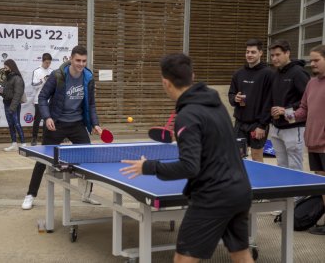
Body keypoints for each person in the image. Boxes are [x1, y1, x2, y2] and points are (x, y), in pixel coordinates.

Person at [120, 53, 254, 263]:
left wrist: (149, 167)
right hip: (240, 190)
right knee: (240, 253)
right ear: (193, 76)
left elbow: (189, 167)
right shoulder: (216, 104)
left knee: (183, 259)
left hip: (213, 196)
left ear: (165, 83)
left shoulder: (187, 115)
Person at [22, 45, 103, 210]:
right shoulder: (58, 75)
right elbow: (43, 97)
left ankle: (86, 194)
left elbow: (91, 104)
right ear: (71, 59)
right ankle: (30, 195)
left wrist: (95, 123)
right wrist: (47, 117)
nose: (81, 64)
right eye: (78, 60)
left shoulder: (88, 77)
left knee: (89, 158)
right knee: (42, 160)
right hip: (56, 124)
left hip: (77, 123)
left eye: (84, 61)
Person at [287, 44, 325, 235]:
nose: (312, 64)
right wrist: (291, 115)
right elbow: (304, 110)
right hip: (313, 143)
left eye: (316, 60)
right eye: (311, 60)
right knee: (321, 185)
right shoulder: (311, 83)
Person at [228, 39, 273, 162]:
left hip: (257, 124)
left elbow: (269, 101)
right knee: (237, 155)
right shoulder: (238, 73)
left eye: (253, 52)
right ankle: (241, 181)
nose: (249, 55)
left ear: (260, 53)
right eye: (247, 52)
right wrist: (235, 98)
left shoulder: (268, 74)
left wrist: (262, 125)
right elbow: (231, 94)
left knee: (256, 155)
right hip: (240, 123)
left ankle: (259, 181)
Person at [269, 40, 310, 170]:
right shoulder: (276, 74)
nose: (274, 58)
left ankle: (297, 191)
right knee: (281, 166)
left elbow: (309, 100)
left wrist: (285, 110)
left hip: (294, 127)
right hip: (277, 128)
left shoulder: (298, 72)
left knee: (294, 167)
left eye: (278, 54)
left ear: (287, 53)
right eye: (272, 55)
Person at [0, 59, 26, 151]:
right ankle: (14, 144)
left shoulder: (17, 78)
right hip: (7, 103)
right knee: (10, 124)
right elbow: (7, 92)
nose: (4, 69)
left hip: (14, 105)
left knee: (17, 123)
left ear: (11, 67)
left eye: (6, 67)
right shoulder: (7, 78)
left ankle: (23, 144)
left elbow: (18, 94)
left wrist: (12, 108)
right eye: (4, 67)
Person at [30, 53, 53, 146]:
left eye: (49, 63)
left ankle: (45, 138)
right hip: (38, 100)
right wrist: (43, 80)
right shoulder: (37, 71)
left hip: (49, 100)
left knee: (47, 120)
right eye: (47, 62)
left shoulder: (52, 71)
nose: (48, 64)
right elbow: (33, 85)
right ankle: (34, 138)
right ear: (43, 61)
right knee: (37, 120)